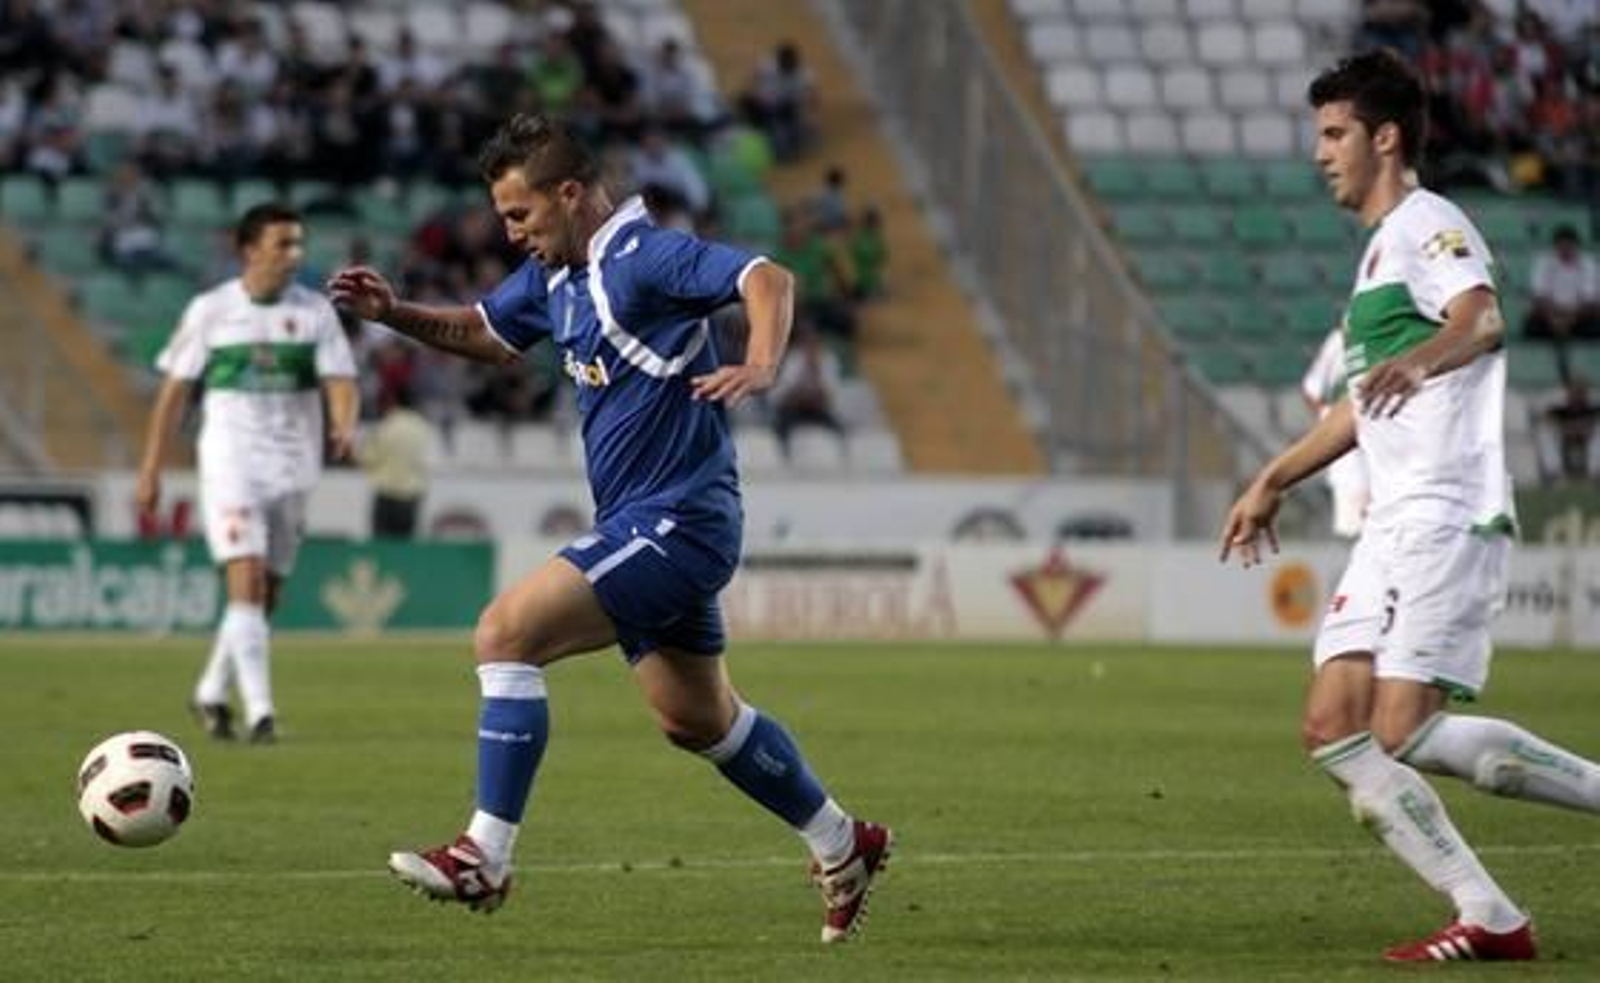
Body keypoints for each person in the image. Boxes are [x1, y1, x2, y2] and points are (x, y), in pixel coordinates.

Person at [326, 114, 891, 943]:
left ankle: (486, 851)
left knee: (504, 632)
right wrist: (393, 312)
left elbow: (768, 279)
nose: (512, 234)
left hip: (681, 519)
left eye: (521, 216)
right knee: (694, 718)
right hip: (644, 521)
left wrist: (762, 361)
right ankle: (843, 840)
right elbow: (486, 333)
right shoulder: (558, 279)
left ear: (569, 194)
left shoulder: (641, 258)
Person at [1218, 50, 1600, 965]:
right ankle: (1491, 915)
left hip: (1445, 507)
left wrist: (1423, 358)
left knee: (1405, 729)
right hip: (1393, 520)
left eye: (1335, 133)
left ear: (1384, 138)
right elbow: (1359, 407)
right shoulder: (1376, 256)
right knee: (1333, 725)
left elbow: (1483, 317)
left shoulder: (1432, 222)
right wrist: (1275, 476)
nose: (1321, 153)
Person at [137, 203, 359, 744]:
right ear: (249, 250)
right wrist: (151, 468)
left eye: (298, 244)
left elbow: (340, 381)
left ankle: (211, 691)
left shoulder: (314, 313)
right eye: (283, 244)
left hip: (294, 465)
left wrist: (344, 422)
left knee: (268, 594)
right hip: (231, 462)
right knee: (248, 577)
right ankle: (261, 712)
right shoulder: (211, 311)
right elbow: (173, 394)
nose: (295, 255)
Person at [1300, 326, 1370, 538]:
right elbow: (1311, 389)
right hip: (1349, 459)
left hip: (1385, 448)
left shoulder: (1396, 337)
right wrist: (1330, 419)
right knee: (1354, 533)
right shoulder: (1339, 341)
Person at [356, 383, 435, 538]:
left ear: (394, 401)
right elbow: (429, 462)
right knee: (405, 548)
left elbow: (368, 459)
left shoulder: (385, 426)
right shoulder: (423, 428)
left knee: (382, 546)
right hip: (411, 495)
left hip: (386, 493)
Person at [1523, 224, 1600, 383]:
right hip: (1550, 316)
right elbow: (1539, 297)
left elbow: (1590, 301)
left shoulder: (1588, 264)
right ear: (1556, 246)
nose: (1565, 249)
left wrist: (1571, 319)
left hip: (1579, 316)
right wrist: (1553, 319)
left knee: (1594, 326)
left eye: (1569, 245)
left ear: (1575, 246)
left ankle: (1583, 369)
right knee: (1531, 326)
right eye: (1561, 245)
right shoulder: (1544, 262)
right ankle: (1540, 368)